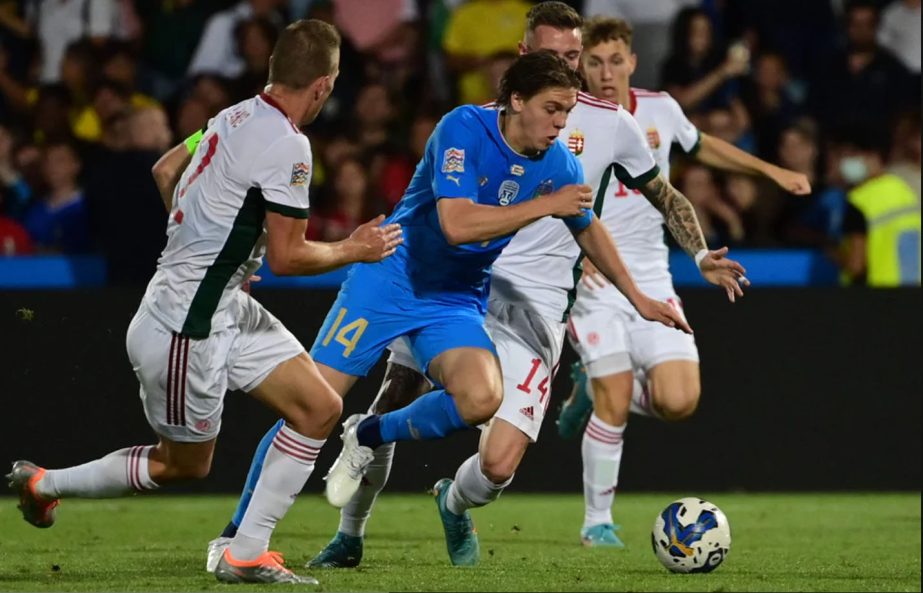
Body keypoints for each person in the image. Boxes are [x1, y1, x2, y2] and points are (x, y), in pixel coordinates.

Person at [205, 2, 745, 572]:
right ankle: (256, 535)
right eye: (554, 74)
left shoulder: (572, 149)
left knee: (486, 422)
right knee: (314, 404)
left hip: (472, 298)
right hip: (396, 279)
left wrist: (641, 298)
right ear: (521, 74)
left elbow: (594, 227)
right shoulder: (465, 126)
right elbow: (456, 224)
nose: (567, 110)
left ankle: (377, 444)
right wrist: (547, 205)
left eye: (572, 61)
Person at [6, 19, 403, 585]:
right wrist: (355, 247)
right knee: (183, 464)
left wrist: (216, 251)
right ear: (324, 84)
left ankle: (246, 552)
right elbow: (289, 259)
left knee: (319, 407)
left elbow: (164, 168)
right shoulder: (290, 144)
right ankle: (46, 483)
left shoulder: (231, 115)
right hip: (183, 325)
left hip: (219, 306)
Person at [555, 15, 811, 547]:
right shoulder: (564, 118)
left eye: (614, 60)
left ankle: (590, 387)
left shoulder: (660, 110)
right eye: (593, 61)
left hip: (652, 275)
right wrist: (575, 252)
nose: (605, 72)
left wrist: (770, 171)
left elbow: (703, 147)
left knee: (679, 401)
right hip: (593, 281)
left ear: (632, 61)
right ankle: (596, 523)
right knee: (617, 394)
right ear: (581, 65)